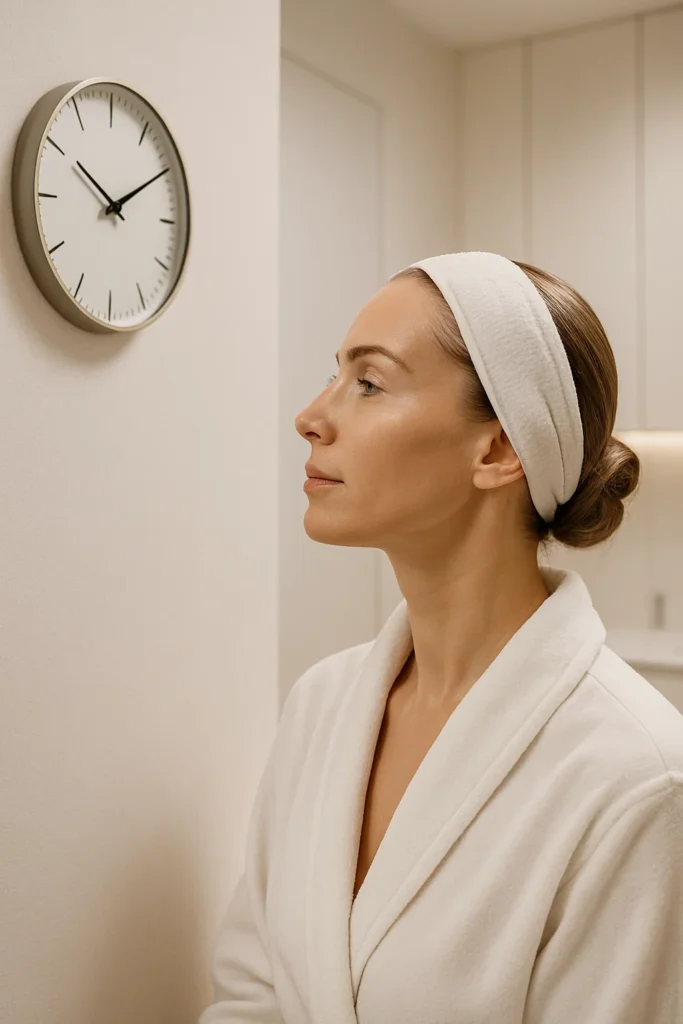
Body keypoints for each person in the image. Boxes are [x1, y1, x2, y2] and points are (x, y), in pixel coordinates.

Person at [199, 252, 683, 1023]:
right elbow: (250, 995)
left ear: (497, 450)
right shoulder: (321, 706)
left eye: (368, 382)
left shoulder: (636, 779)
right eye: (336, 375)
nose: (311, 416)